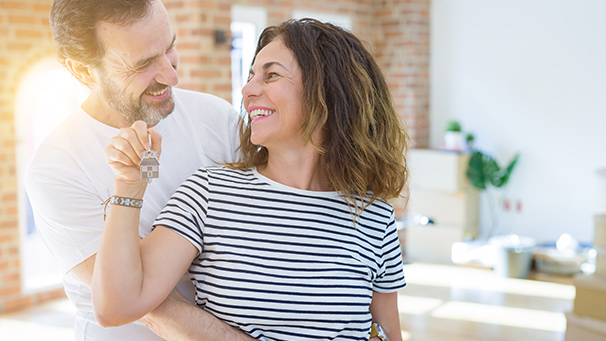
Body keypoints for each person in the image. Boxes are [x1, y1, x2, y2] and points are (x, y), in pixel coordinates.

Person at [93, 18, 410, 340]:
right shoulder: (209, 193)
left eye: (271, 75)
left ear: (328, 89)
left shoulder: (374, 214)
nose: (247, 90)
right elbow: (116, 307)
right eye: (250, 76)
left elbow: (387, 333)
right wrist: (129, 186)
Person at [25, 0, 256, 339]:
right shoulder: (56, 167)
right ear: (84, 71)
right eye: (144, 63)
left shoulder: (215, 118)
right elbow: (153, 308)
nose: (172, 75)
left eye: (170, 47)